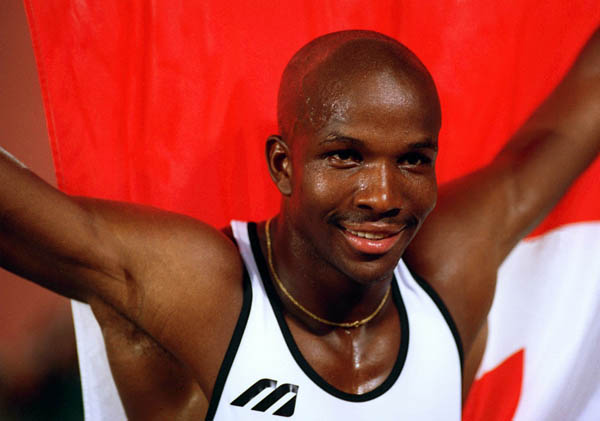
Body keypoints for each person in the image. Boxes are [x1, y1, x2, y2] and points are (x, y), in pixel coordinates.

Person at [1, 28, 599, 420]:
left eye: (412, 159)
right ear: (283, 166)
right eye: (346, 156)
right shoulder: (203, 295)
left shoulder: (449, 271)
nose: (383, 196)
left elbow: (563, 129)